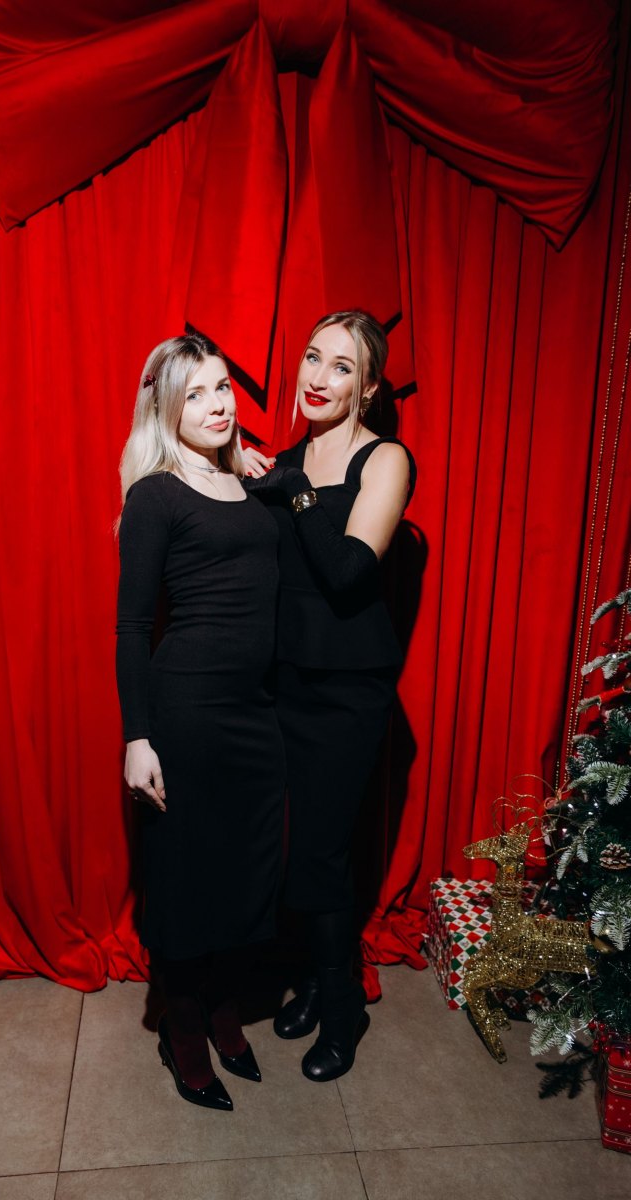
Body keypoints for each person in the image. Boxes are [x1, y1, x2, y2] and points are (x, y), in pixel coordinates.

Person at [244, 310, 416, 1083]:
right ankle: (315, 981)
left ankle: (342, 1005)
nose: (318, 377)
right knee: (292, 848)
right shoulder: (283, 463)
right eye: (313, 357)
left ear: (369, 387)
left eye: (341, 366)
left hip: (348, 692)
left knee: (322, 847)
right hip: (283, 684)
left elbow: (348, 575)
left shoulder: (386, 459)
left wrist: (298, 494)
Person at [115, 333, 285, 1112]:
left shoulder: (247, 481)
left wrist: (264, 473)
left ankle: (222, 1002)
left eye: (223, 387)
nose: (217, 405)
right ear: (167, 409)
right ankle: (183, 1022)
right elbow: (131, 627)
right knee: (186, 876)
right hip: (185, 711)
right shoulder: (155, 496)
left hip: (256, 712)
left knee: (245, 870)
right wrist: (138, 737)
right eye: (197, 395)